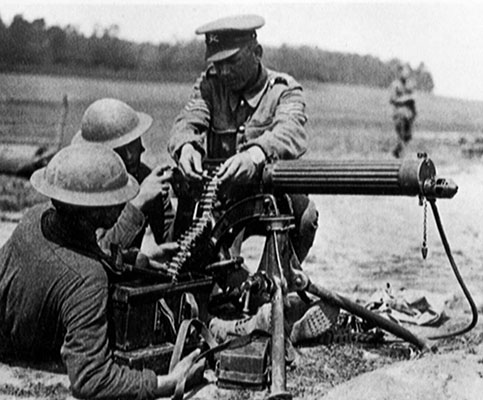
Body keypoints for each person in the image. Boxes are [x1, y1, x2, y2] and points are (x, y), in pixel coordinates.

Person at [168, 14, 336, 344]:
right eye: (217, 63)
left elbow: (291, 133)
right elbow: (187, 121)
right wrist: (186, 145)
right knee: (210, 272)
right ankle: (248, 306)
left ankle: (272, 290)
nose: (224, 72)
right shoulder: (209, 85)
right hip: (225, 200)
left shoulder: (284, 91)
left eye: (232, 62)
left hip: (272, 199)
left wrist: (256, 154)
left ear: (256, 51)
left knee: (306, 217)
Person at [0, 144, 203, 399]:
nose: (123, 201)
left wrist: (131, 260)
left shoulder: (36, 218)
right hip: (26, 353)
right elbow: (91, 379)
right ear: (94, 208)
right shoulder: (87, 278)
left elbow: (80, 250)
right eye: (114, 197)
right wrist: (169, 382)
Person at [73, 98, 176, 258]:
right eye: (119, 149)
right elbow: (98, 252)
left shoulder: (144, 176)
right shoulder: (85, 190)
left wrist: (186, 202)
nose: (130, 156)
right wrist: (138, 202)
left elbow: (168, 240)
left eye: (133, 143)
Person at [390, 64, 417, 158]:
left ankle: (397, 152)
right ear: (400, 73)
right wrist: (405, 99)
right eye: (404, 72)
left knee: (408, 137)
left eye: (407, 73)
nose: (406, 74)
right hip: (399, 114)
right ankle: (401, 156)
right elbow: (393, 100)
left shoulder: (409, 85)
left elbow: (413, 97)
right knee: (401, 136)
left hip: (409, 115)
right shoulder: (395, 84)